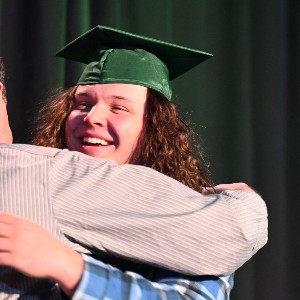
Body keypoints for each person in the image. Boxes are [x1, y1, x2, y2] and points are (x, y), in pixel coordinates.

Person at [0, 26, 268, 299]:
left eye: (119, 108)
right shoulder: (40, 187)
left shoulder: (190, 217)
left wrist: (72, 269)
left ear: (154, 128)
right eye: (82, 103)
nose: (92, 117)